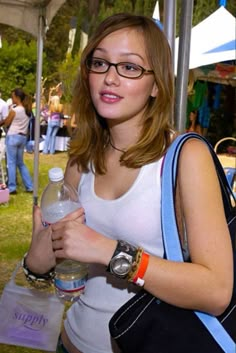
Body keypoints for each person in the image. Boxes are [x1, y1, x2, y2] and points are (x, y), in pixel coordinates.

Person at [23, 13, 233, 353]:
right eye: (100, 63)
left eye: (130, 67)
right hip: (71, 342)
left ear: (157, 84)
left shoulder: (185, 157)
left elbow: (216, 291)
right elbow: (61, 264)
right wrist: (38, 258)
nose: (110, 78)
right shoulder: (82, 157)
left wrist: (108, 250)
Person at [0, 88, 33, 194]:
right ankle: (29, 186)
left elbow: (7, 123)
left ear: (17, 98)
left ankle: (12, 187)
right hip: (23, 137)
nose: (11, 98)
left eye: (12, 96)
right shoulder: (27, 110)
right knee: (20, 163)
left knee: (11, 162)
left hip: (13, 136)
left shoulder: (15, 110)